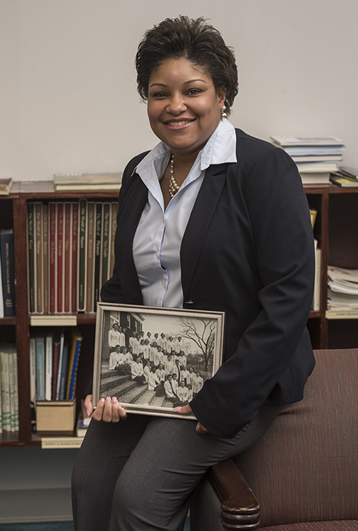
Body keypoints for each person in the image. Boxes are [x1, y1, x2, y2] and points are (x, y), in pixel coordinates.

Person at [72, 15, 315, 531]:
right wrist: (102, 380)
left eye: (193, 90)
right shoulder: (139, 173)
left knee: (137, 498)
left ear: (222, 94)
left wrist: (223, 400)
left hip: (235, 377)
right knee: (89, 485)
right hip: (146, 374)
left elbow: (290, 297)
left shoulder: (264, 170)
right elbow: (123, 288)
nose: (175, 105)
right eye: (159, 93)